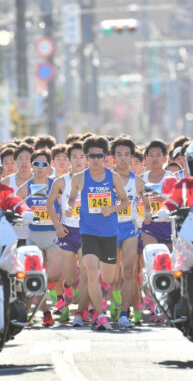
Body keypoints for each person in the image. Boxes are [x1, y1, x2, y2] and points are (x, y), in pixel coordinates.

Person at [63, 136, 131, 330]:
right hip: (88, 232)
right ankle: (101, 315)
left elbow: (125, 202)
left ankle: (101, 301)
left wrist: (112, 208)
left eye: (99, 156)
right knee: (91, 271)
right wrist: (69, 208)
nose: (95, 159)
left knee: (108, 278)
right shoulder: (79, 178)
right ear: (86, 157)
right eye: (91, 156)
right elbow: (71, 199)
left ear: (105, 156)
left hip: (109, 232)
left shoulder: (113, 177)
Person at [15, 149, 63, 327]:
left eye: (44, 164)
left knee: (55, 275)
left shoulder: (56, 184)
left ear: (49, 166)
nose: (40, 168)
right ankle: (46, 312)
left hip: (52, 235)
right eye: (37, 164)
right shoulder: (26, 187)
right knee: (35, 276)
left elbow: (68, 202)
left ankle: (37, 300)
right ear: (32, 165)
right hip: (33, 235)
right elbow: (14, 204)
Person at [110, 136, 151, 328]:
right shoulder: (105, 179)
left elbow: (148, 205)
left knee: (129, 271)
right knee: (112, 274)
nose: (123, 159)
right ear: (113, 157)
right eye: (119, 154)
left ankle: (125, 312)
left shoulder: (139, 182)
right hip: (108, 229)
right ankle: (114, 306)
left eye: (127, 155)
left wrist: (148, 214)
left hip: (129, 228)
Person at [47, 141, 87, 326]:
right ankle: (68, 289)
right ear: (69, 160)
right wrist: (57, 225)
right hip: (68, 231)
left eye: (82, 156)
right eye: (75, 157)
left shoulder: (96, 180)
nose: (78, 160)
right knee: (69, 277)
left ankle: (81, 312)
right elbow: (49, 204)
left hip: (88, 231)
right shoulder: (61, 181)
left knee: (88, 270)